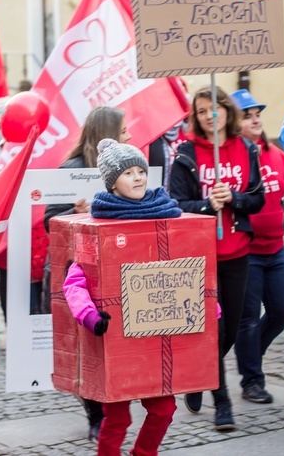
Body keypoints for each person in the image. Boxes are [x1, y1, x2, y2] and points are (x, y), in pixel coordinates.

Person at [64, 138, 182, 456]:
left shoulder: (168, 216)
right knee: (117, 418)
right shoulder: (98, 226)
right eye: (128, 173)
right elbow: (74, 282)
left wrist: (204, 309)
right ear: (112, 182)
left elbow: (188, 269)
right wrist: (89, 316)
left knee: (164, 409)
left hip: (156, 338)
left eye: (140, 171)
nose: (138, 178)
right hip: (115, 338)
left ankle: (144, 452)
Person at [170, 86, 265, 430]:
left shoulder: (247, 149)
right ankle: (221, 400)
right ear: (195, 117)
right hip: (200, 257)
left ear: (227, 110)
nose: (209, 116)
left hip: (237, 252)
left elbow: (258, 200)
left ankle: (199, 374)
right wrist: (205, 206)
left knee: (231, 329)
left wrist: (235, 198)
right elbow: (175, 204)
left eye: (215, 109)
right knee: (214, 328)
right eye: (201, 111)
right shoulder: (185, 153)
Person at [44, 105, 133, 442]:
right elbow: (48, 221)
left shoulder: (125, 166)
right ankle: (96, 415)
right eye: (123, 130)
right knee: (86, 348)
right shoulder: (71, 168)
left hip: (109, 269)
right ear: (107, 133)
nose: (129, 136)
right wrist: (74, 212)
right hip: (76, 276)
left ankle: (109, 409)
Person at [229, 89, 284, 404]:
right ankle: (251, 380)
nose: (255, 118)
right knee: (248, 318)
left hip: (277, 249)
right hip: (247, 251)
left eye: (257, 113)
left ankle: (252, 352)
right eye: (247, 114)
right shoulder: (232, 158)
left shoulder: (276, 153)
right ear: (232, 121)